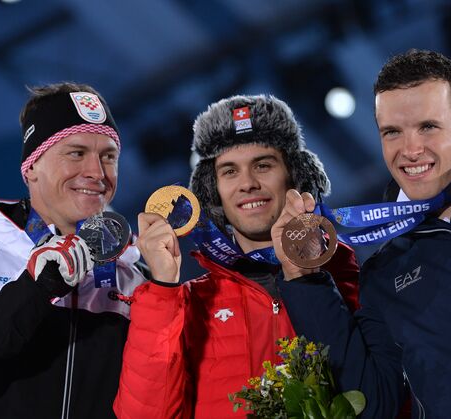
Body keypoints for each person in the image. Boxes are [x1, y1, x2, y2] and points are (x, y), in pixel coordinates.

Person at [281, 49, 451, 418]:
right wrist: (302, 277)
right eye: (392, 132)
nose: (410, 150)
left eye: (428, 126)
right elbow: (374, 404)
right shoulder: (386, 271)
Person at [112, 95, 362, 418]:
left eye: (263, 165)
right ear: (212, 190)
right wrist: (161, 289)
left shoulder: (343, 276)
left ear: (295, 176)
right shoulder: (189, 304)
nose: (248, 183)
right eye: (230, 171)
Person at [0, 82, 148, 418]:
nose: (97, 173)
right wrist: (35, 289)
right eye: (76, 153)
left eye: (108, 156)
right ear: (32, 167)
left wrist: (164, 291)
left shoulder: (135, 282)